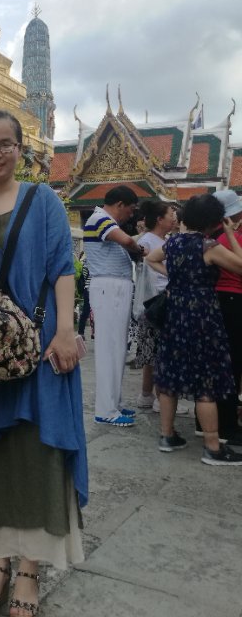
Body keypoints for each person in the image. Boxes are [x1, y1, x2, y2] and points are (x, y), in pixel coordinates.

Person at [0, 110, 87, 617]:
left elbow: (62, 267)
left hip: (41, 346)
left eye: (5, 144)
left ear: (21, 149)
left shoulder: (44, 201)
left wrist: (65, 330)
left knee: (38, 452)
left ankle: (30, 569)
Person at [146, 194, 242, 465]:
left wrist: (175, 277)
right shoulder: (208, 246)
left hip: (175, 312)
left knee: (170, 375)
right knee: (206, 378)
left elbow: (151, 258)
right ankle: (212, 446)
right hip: (202, 315)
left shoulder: (173, 242)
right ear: (213, 221)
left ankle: (167, 436)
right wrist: (230, 234)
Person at [83, 185, 147, 427]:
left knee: (118, 347)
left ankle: (114, 402)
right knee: (110, 348)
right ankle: (106, 409)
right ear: (120, 204)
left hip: (114, 286)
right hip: (108, 287)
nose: (131, 215)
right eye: (130, 210)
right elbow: (127, 240)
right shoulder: (100, 219)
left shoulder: (105, 221)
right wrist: (140, 249)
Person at [133, 201, 180, 412]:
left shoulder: (166, 240)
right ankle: (161, 398)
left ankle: (147, 395)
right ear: (160, 219)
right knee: (159, 352)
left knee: (152, 351)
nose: (174, 218)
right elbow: (147, 273)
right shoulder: (147, 241)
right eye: (171, 214)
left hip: (159, 300)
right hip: (156, 301)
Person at [211, 190, 242, 445]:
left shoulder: (213, 239)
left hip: (220, 301)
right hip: (233, 302)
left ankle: (216, 420)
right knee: (232, 365)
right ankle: (227, 425)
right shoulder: (229, 238)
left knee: (223, 363)